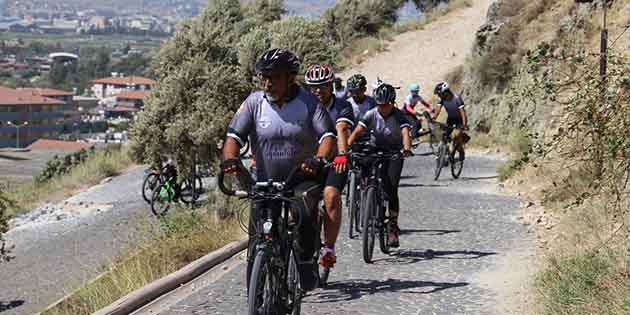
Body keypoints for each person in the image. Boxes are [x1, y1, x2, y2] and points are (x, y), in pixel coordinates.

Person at [221, 48, 336, 291]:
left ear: (290, 78)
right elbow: (233, 136)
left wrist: (318, 159)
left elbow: (327, 136)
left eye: (274, 77)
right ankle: (258, 286)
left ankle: (305, 264)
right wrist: (230, 159)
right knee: (256, 234)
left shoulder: (309, 102)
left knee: (304, 215)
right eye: (264, 76)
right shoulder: (254, 103)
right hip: (265, 181)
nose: (267, 82)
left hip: (302, 178)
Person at [347, 83, 413, 247]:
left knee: (391, 188)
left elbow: (405, 133)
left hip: (394, 153)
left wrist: (406, 148)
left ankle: (392, 226)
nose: (382, 108)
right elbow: (357, 131)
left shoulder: (399, 115)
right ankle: (369, 197)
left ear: (392, 103)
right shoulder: (371, 114)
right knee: (366, 170)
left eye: (385, 105)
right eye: (379, 105)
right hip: (375, 149)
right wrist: (346, 147)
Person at [304, 64, 355, 270]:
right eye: (313, 87)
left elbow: (341, 128)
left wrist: (342, 155)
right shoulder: (302, 106)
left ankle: (329, 248)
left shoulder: (343, 106)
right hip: (309, 161)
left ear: (331, 85)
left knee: (331, 196)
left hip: (334, 161)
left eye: (323, 86)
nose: (318, 90)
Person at [432, 81, 469, 159]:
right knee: (444, 136)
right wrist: (433, 119)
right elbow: (438, 110)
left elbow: (463, 113)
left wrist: (464, 125)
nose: (439, 96)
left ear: (445, 92)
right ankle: (444, 155)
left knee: (456, 136)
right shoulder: (442, 99)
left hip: (459, 120)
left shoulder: (457, 98)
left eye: (439, 94)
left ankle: (461, 151)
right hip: (450, 120)